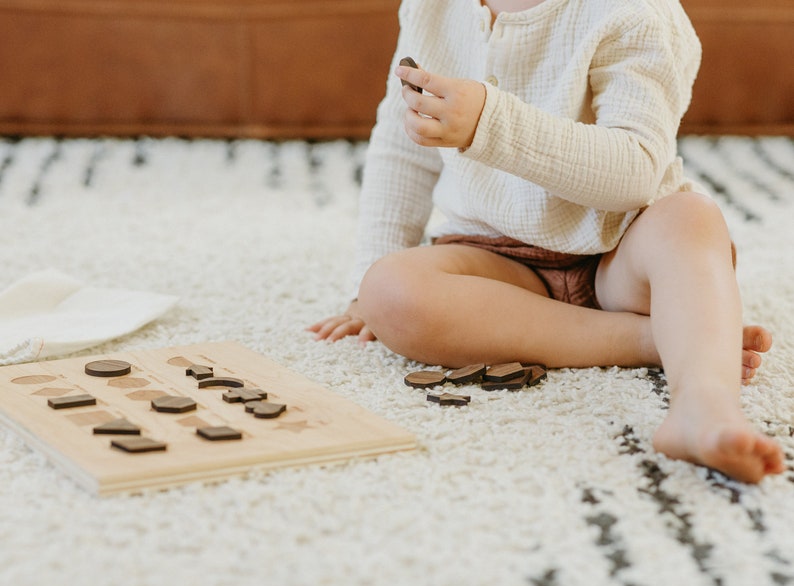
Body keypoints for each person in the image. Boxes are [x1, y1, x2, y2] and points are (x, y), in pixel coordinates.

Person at [308, 0, 785, 483]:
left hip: (617, 252)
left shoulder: (638, 12)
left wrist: (491, 125)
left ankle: (704, 404)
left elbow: (636, 170)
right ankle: (656, 337)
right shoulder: (433, 8)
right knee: (387, 288)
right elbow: (400, 149)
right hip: (493, 262)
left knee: (691, 217)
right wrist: (366, 277)